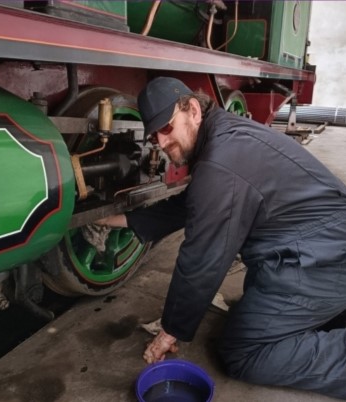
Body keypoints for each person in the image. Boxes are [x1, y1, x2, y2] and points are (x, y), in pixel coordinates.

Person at [97, 77, 346, 399]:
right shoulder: (225, 135)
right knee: (260, 306)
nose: (161, 141)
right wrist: (110, 220)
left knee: (244, 351)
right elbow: (189, 206)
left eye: (168, 128)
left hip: (321, 258)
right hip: (321, 244)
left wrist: (170, 331)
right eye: (154, 134)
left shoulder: (220, 163)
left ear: (193, 111)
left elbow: (202, 259)